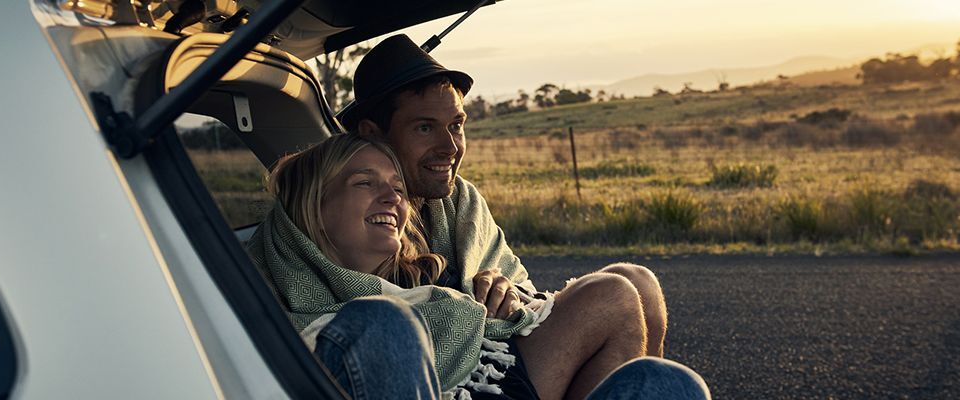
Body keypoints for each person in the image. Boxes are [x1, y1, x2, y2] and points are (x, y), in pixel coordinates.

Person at [340, 34, 681, 397]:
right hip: (456, 372)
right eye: (425, 128)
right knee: (613, 297)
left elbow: (519, 287)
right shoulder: (351, 206)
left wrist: (506, 291)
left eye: (456, 125)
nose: (451, 147)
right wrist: (469, 311)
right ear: (373, 134)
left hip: (494, 341)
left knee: (639, 280)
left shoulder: (459, 200)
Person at [246, 134, 710, 399]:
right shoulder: (269, 302)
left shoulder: (427, 287)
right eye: (365, 183)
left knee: (668, 382)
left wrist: (505, 299)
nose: (393, 197)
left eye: (398, 189)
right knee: (378, 322)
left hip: (498, 387)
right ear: (311, 206)